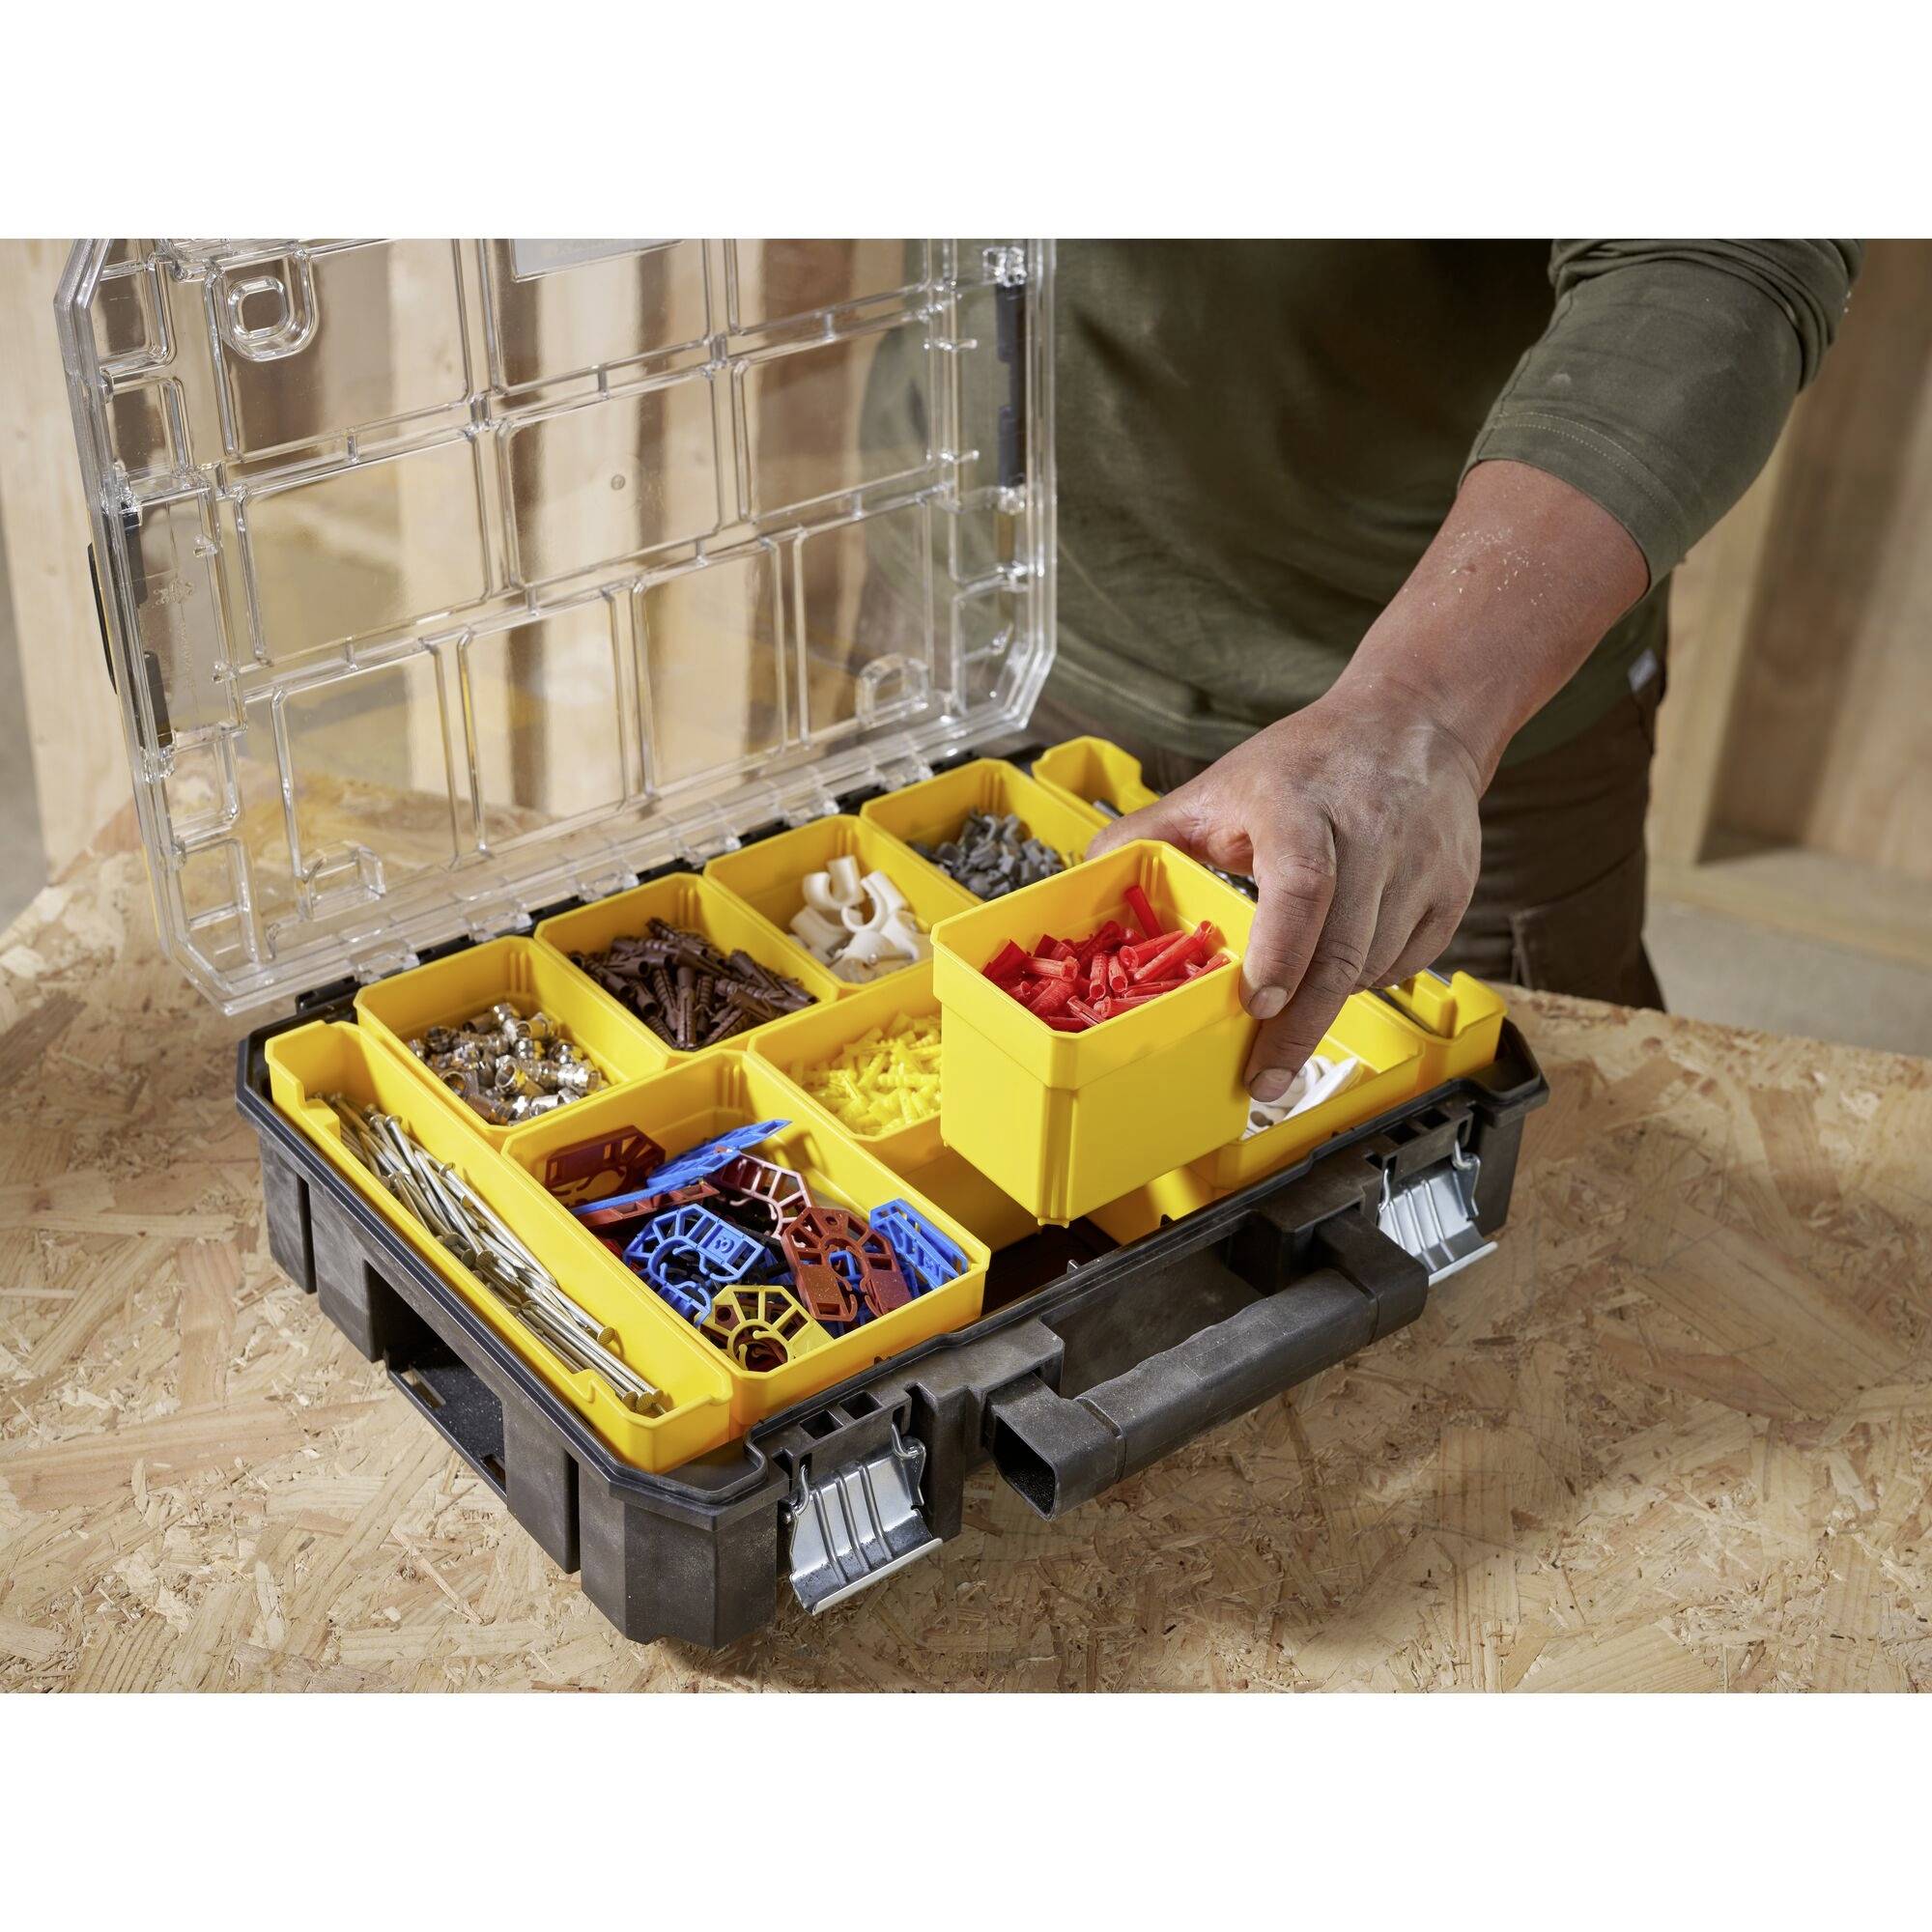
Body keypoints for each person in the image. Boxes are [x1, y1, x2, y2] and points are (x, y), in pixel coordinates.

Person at [1041, 241, 1861, 1105]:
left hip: (1442, 700)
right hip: (1001, 636)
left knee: (1546, 1133)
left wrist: (1419, 710)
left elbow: (1719, 254)